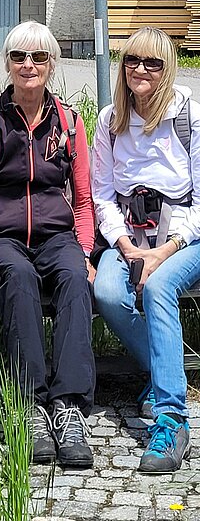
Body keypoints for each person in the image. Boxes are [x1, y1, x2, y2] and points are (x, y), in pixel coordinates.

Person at [0, 21, 96, 468]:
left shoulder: (71, 123)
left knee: (75, 278)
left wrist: (87, 252)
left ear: (52, 64)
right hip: (6, 236)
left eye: (38, 57)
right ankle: (29, 407)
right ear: (7, 63)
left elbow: (84, 199)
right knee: (16, 279)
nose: (28, 65)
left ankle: (69, 406)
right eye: (19, 56)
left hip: (58, 237)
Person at [92, 26, 200, 474]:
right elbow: (100, 195)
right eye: (132, 60)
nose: (140, 69)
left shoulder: (187, 113)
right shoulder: (109, 119)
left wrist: (165, 249)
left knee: (157, 289)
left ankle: (172, 419)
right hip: (128, 233)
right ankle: (162, 375)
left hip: (185, 235)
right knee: (107, 293)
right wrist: (124, 244)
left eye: (152, 63)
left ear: (167, 68)